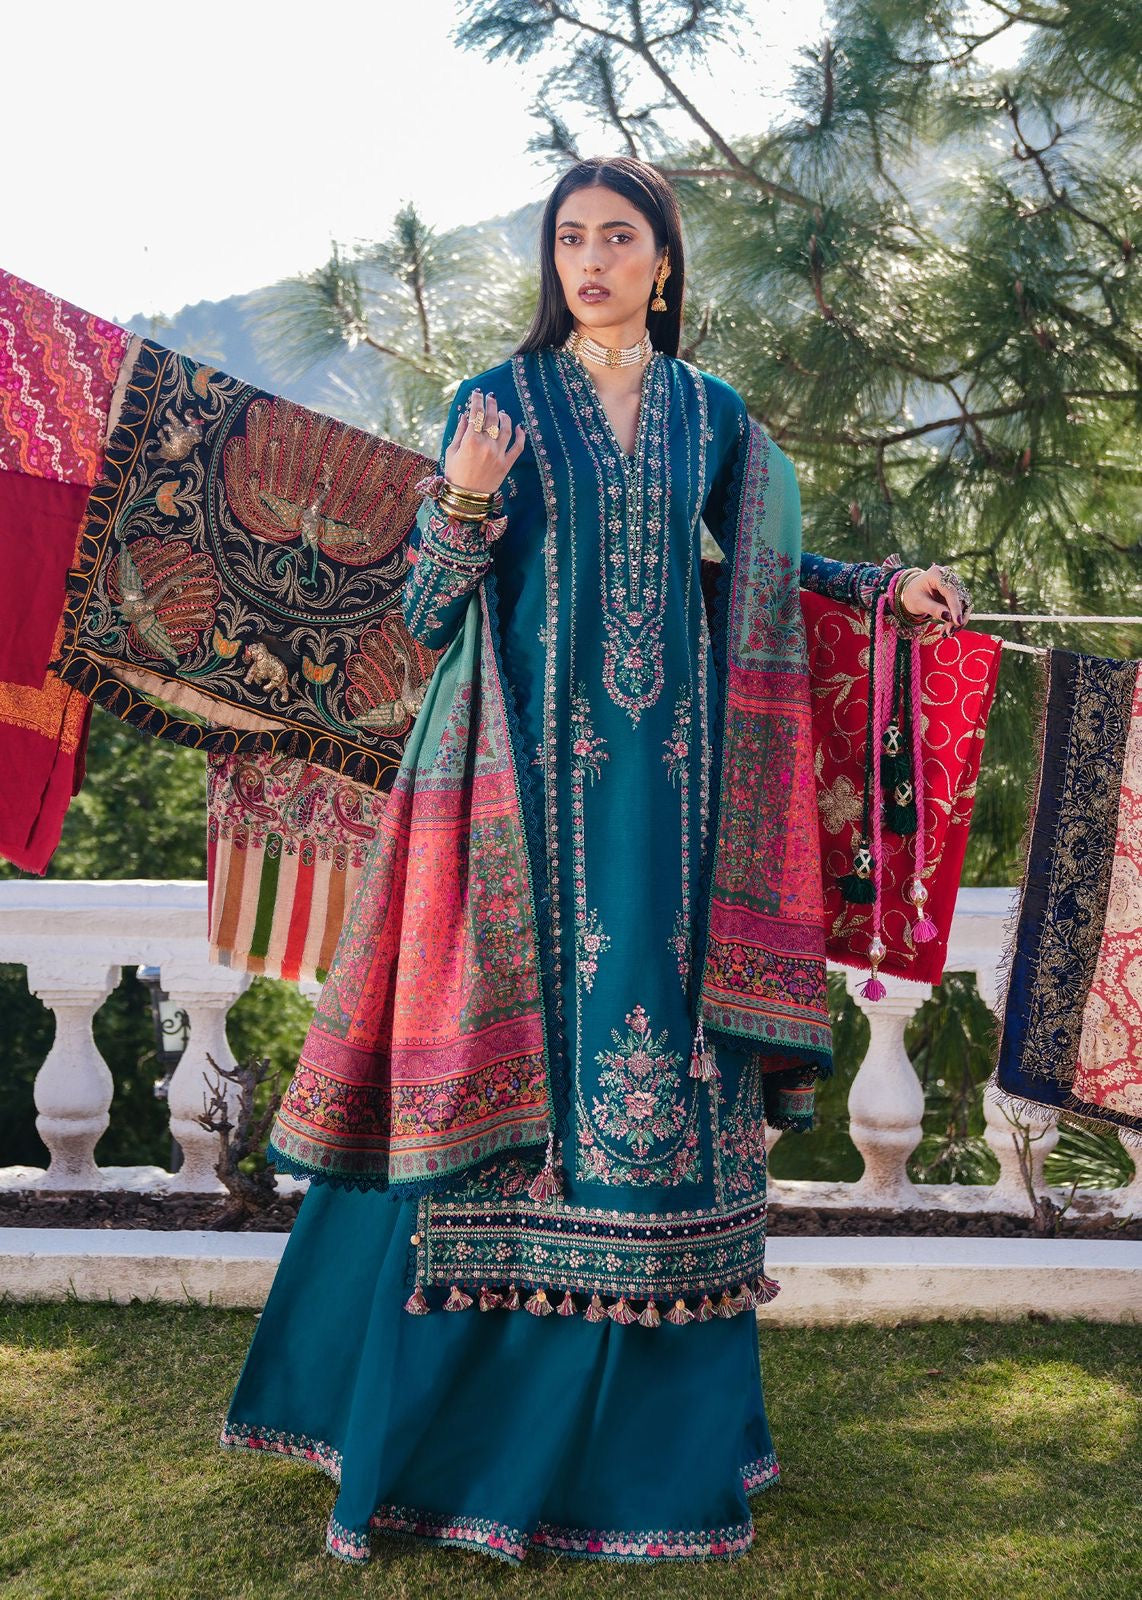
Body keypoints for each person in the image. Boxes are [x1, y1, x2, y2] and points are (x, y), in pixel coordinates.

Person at [219, 154, 970, 1565]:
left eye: (619, 237)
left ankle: (651, 1457)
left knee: (663, 1072)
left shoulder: (713, 414)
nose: (592, 260)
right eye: (570, 238)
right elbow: (424, 617)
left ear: (662, 261)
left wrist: (884, 589)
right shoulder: (495, 405)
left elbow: (756, 570)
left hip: (679, 811)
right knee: (504, 1077)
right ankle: (441, 1441)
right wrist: (460, 502)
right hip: (517, 816)